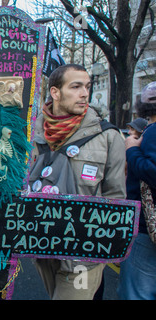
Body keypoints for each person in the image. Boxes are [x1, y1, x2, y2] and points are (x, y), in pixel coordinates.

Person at [30, 64, 126, 300]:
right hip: (41, 246)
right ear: (55, 92)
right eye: (76, 86)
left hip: (84, 255)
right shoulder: (31, 132)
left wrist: (98, 248)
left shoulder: (108, 136)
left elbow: (115, 198)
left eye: (87, 87)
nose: (85, 93)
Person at [118, 82, 156, 300]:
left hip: (145, 228)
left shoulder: (151, 133)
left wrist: (132, 150)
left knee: (137, 293)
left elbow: (151, 171)